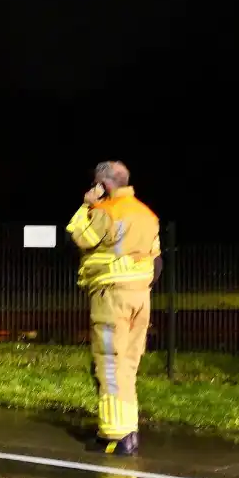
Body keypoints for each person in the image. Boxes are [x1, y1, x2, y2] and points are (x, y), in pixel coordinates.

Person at [65, 160, 160, 456]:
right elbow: (157, 261)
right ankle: (128, 429)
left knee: (108, 363)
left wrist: (86, 205)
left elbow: (79, 237)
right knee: (129, 364)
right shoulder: (147, 214)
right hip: (140, 296)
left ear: (103, 185)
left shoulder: (106, 211)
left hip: (111, 296)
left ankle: (114, 436)